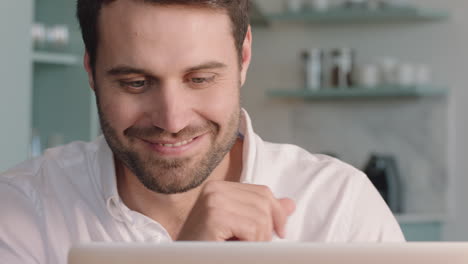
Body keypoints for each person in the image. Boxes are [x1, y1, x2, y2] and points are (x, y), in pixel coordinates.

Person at [0, 0, 405, 263]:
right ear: (91, 70)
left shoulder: (338, 207)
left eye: (200, 79)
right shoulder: (22, 210)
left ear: (243, 56)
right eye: (136, 83)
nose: (172, 120)